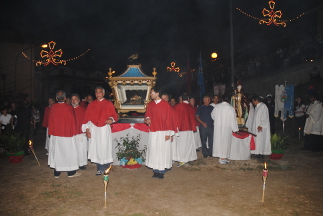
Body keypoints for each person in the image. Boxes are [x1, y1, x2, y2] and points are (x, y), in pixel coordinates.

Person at [82, 87, 118, 176]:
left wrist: (111, 119)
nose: (98, 94)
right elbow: (86, 118)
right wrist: (87, 130)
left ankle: (106, 167)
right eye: (96, 92)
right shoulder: (91, 104)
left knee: (105, 147)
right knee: (97, 148)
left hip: (104, 128)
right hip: (94, 128)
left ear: (103, 94)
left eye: (100, 92)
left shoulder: (108, 104)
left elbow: (113, 115)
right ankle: (99, 168)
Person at [144, 87, 177, 179]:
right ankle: (155, 170)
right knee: (154, 150)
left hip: (163, 131)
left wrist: (168, 133)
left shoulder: (165, 105)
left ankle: (161, 170)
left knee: (162, 151)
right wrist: (147, 119)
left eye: (152, 93)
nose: (150, 94)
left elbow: (169, 119)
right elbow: (147, 115)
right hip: (154, 131)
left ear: (157, 93)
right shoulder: (150, 105)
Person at [48, 90, 80, 178]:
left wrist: (51, 132)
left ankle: (57, 172)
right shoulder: (69, 107)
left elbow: (50, 121)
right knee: (69, 151)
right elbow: (73, 121)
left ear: (56, 98)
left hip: (56, 134)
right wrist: (74, 132)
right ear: (65, 98)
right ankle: (71, 172)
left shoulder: (53, 107)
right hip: (67, 134)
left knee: (57, 152)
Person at [211, 94, 239, 164]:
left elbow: (212, 115)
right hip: (226, 128)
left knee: (219, 141)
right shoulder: (230, 108)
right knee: (225, 142)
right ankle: (222, 158)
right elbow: (233, 119)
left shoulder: (217, 107)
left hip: (218, 127)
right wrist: (235, 129)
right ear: (229, 100)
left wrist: (217, 120)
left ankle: (221, 157)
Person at [173, 94, 197, 167]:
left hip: (181, 128)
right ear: (188, 99)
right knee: (188, 144)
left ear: (181, 99)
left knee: (181, 144)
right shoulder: (190, 107)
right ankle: (187, 158)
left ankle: (182, 159)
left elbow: (174, 117)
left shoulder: (178, 106)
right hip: (189, 128)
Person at [71, 93, 87, 170]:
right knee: (72, 149)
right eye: (72, 99)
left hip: (80, 132)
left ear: (79, 100)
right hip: (71, 133)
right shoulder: (69, 109)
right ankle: (73, 163)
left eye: (75, 99)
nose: (73, 101)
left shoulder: (83, 110)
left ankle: (81, 163)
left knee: (81, 149)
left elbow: (86, 121)